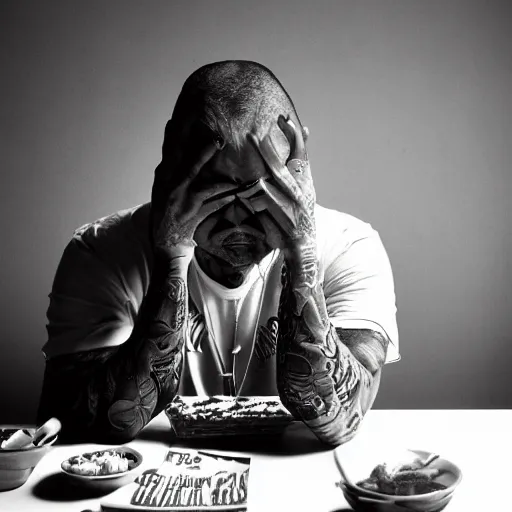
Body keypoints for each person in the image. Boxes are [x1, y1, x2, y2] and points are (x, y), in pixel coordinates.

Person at [37, 60, 399, 446]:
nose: (238, 223)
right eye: (216, 194)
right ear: (173, 160)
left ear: (297, 171)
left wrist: (301, 251)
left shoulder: (350, 246)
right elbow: (81, 419)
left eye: (264, 194)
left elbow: (340, 418)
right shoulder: (99, 252)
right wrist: (172, 258)